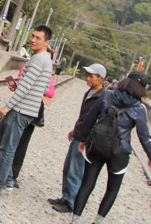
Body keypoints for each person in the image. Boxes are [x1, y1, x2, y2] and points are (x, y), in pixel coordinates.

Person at [0, 24, 53, 196]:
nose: (33, 40)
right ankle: (8, 179)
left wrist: (8, 106)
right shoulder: (45, 59)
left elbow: (25, 88)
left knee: (7, 147)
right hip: (26, 109)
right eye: (32, 36)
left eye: (38, 38)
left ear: (47, 42)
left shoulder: (38, 60)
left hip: (21, 110)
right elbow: (44, 86)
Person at [70, 70, 151, 223]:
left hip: (97, 146)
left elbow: (90, 118)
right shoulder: (139, 108)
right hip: (120, 152)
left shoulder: (107, 95)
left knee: (87, 183)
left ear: (125, 81)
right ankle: (97, 222)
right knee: (112, 189)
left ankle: (75, 221)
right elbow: (144, 137)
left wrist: (83, 140)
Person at [0, 64, 56, 187]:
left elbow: (51, 92)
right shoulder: (28, 66)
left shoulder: (44, 70)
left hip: (31, 110)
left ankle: (9, 177)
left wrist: (37, 88)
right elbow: (22, 84)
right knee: (2, 138)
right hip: (23, 105)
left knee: (19, 144)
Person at [48, 63, 107, 213]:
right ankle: (66, 196)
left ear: (101, 79)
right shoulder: (90, 93)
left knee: (75, 170)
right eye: (87, 75)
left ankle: (71, 202)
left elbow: (96, 121)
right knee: (68, 167)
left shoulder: (103, 97)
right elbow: (85, 117)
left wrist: (86, 140)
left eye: (91, 76)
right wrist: (75, 130)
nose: (88, 78)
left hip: (85, 139)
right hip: (79, 134)